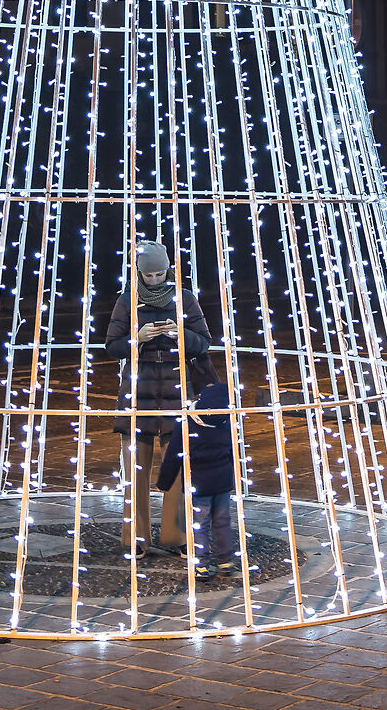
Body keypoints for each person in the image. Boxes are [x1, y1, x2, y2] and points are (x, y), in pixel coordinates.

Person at [98, 239, 214, 558]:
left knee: (177, 468)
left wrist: (180, 334)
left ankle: (176, 537)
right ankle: (135, 539)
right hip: (138, 389)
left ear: (168, 269)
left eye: (160, 274)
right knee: (135, 468)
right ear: (138, 272)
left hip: (177, 387)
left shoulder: (184, 298)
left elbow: (204, 342)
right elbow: (111, 346)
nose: (154, 280)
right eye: (148, 276)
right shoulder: (127, 300)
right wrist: (136, 338)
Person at [159, 376, 239, 578]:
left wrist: (165, 481)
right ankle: (225, 561)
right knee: (222, 522)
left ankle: (202, 564)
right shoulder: (226, 421)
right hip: (222, 483)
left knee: (200, 524)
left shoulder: (187, 423)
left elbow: (173, 455)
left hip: (199, 483)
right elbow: (232, 452)